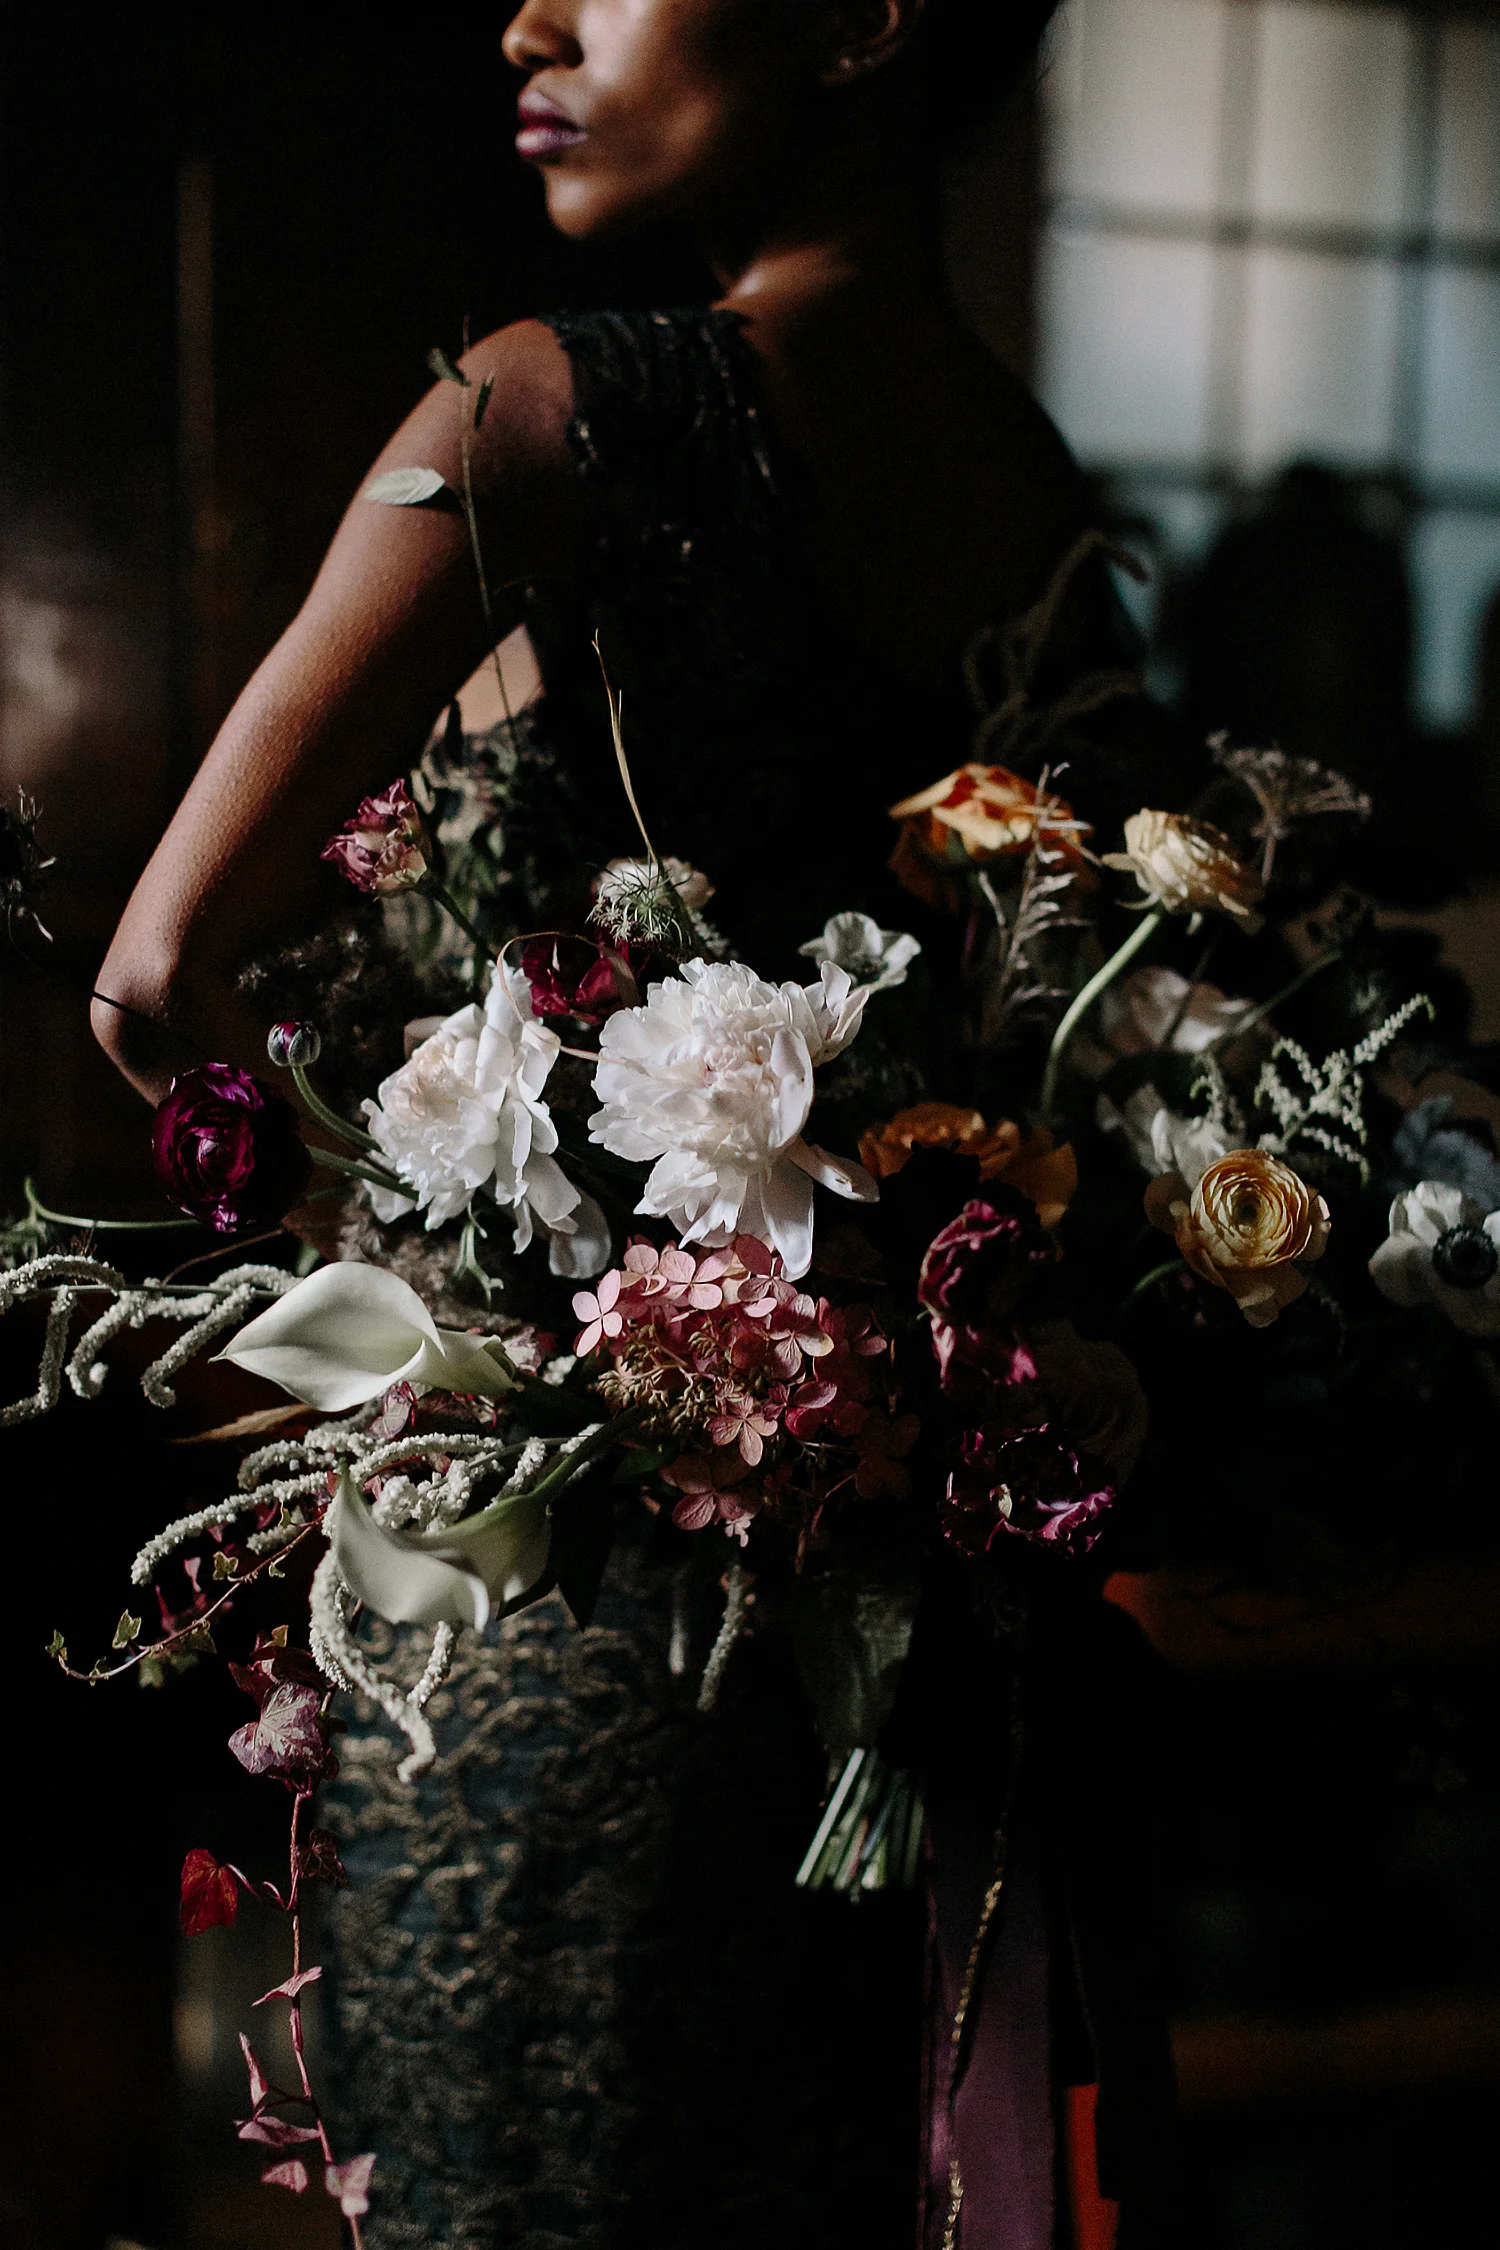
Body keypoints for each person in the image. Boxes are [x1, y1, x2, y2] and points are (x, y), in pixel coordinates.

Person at [94, 5, 1174, 2244]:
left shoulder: (546, 406)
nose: (525, 14)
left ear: (867, 18)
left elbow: (151, 979)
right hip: (880, 1655)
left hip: (557, 1618)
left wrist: (471, 1326)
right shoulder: (1030, 481)